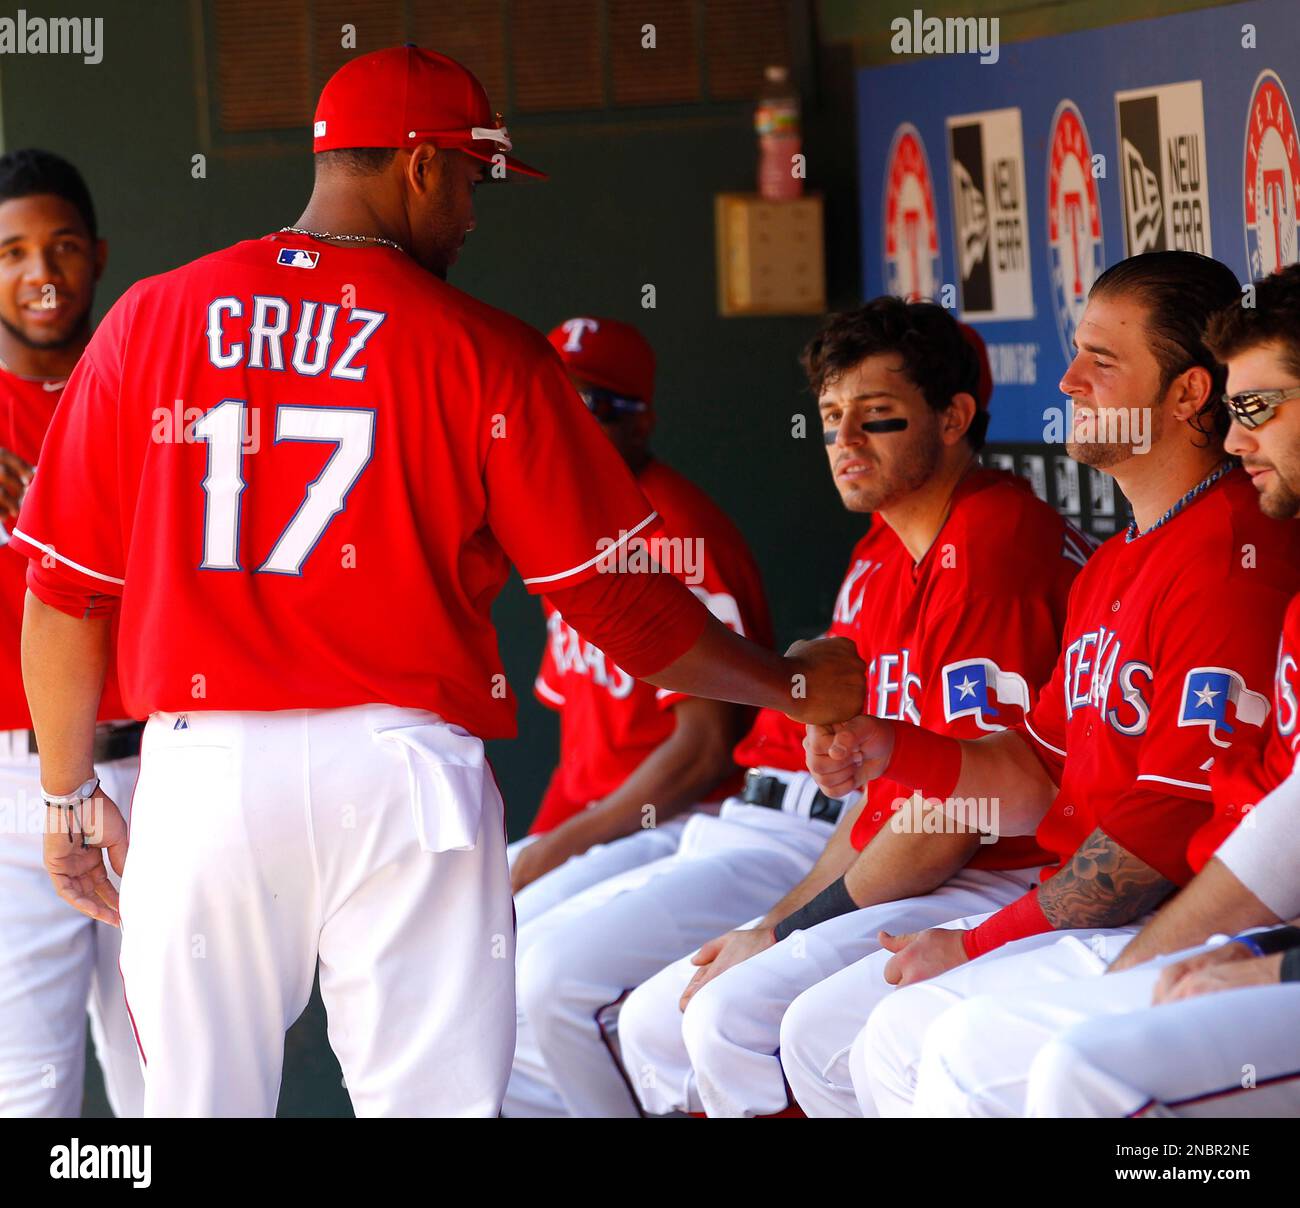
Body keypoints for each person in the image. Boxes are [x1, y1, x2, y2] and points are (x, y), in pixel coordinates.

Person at [10, 46, 863, 1119]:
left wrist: (66, 791)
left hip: (206, 774)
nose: (472, 210)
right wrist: (791, 687)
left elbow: (69, 592)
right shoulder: (486, 349)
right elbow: (619, 606)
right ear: (417, 165)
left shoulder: (150, 319)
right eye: (470, 177)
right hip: (404, 777)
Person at [505, 302, 1083, 1117]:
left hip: (1009, 869)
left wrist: (782, 928)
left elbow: (953, 814)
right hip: (891, 847)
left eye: (877, 419)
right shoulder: (894, 542)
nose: (846, 444)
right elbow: (890, 789)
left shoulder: (989, 546)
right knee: (668, 1010)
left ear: (954, 418)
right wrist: (785, 911)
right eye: (832, 419)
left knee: (713, 1014)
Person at [801, 251, 1300, 1117]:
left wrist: (984, 941)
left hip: (1171, 905)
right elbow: (1036, 770)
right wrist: (891, 746)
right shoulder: (1114, 562)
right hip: (1105, 901)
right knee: (846, 1030)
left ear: (1186, 395)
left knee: (938, 1041)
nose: (1068, 379)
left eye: (1101, 362)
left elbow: (1160, 828)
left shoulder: (1235, 558)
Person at [508, 315, 771, 901]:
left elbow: (703, 753)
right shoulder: (565, 519)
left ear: (641, 421)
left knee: (522, 955)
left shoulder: (678, 539)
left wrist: (553, 851)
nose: (563, 421)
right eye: (552, 398)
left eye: (587, 403)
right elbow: (582, 754)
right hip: (598, 824)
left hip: (686, 821)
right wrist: (543, 843)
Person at [0, 148, 143, 1118]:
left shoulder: (153, 388)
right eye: (9, 251)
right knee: (31, 1086)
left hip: (158, 762)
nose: (38, 271)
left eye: (59, 246)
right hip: (13, 783)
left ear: (97, 256)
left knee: (171, 1076)